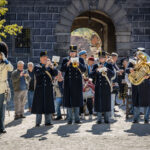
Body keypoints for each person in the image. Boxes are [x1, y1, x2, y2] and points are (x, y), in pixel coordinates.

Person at [61, 45, 86, 124]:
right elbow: (62, 69)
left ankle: (77, 119)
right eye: (71, 52)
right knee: (68, 101)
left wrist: (79, 64)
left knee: (77, 101)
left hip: (77, 83)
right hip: (68, 83)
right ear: (69, 52)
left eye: (74, 52)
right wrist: (68, 63)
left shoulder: (80, 59)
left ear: (76, 52)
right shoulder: (65, 59)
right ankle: (69, 119)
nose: (72, 54)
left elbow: (84, 69)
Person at [31, 51, 58, 127]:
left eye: (46, 58)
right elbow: (38, 74)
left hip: (48, 89)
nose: (46, 59)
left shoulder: (49, 67)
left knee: (48, 105)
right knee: (39, 106)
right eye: (44, 58)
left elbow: (55, 73)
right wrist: (45, 67)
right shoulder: (37, 66)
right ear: (40, 59)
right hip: (40, 89)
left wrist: (52, 67)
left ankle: (48, 121)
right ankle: (38, 122)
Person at [126, 48, 150, 123]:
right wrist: (130, 69)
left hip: (145, 84)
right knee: (136, 101)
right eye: (139, 53)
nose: (140, 55)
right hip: (136, 84)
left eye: (141, 53)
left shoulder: (147, 61)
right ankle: (136, 118)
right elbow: (127, 69)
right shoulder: (133, 61)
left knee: (147, 102)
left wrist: (149, 75)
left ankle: (146, 118)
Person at [90, 51, 114, 124]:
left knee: (106, 102)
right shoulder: (95, 65)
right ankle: (99, 119)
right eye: (100, 58)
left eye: (103, 58)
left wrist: (106, 69)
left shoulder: (109, 65)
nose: (101, 59)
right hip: (98, 86)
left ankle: (107, 119)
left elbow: (112, 74)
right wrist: (97, 70)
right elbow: (90, 75)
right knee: (99, 102)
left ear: (105, 58)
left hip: (106, 86)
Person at [0, 42, 13, 134]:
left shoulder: (6, 63)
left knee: (2, 109)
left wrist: (5, 59)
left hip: (3, 88)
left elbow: (11, 68)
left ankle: (2, 127)